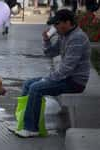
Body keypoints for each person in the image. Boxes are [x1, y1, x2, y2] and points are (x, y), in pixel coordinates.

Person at [9, 9, 91, 137]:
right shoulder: (64, 35)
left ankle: (31, 128)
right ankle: (22, 123)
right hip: (65, 78)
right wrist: (46, 40)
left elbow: (67, 68)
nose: (55, 27)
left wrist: (47, 79)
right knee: (27, 84)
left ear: (68, 22)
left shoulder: (77, 38)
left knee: (36, 88)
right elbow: (50, 53)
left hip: (75, 82)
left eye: (57, 24)